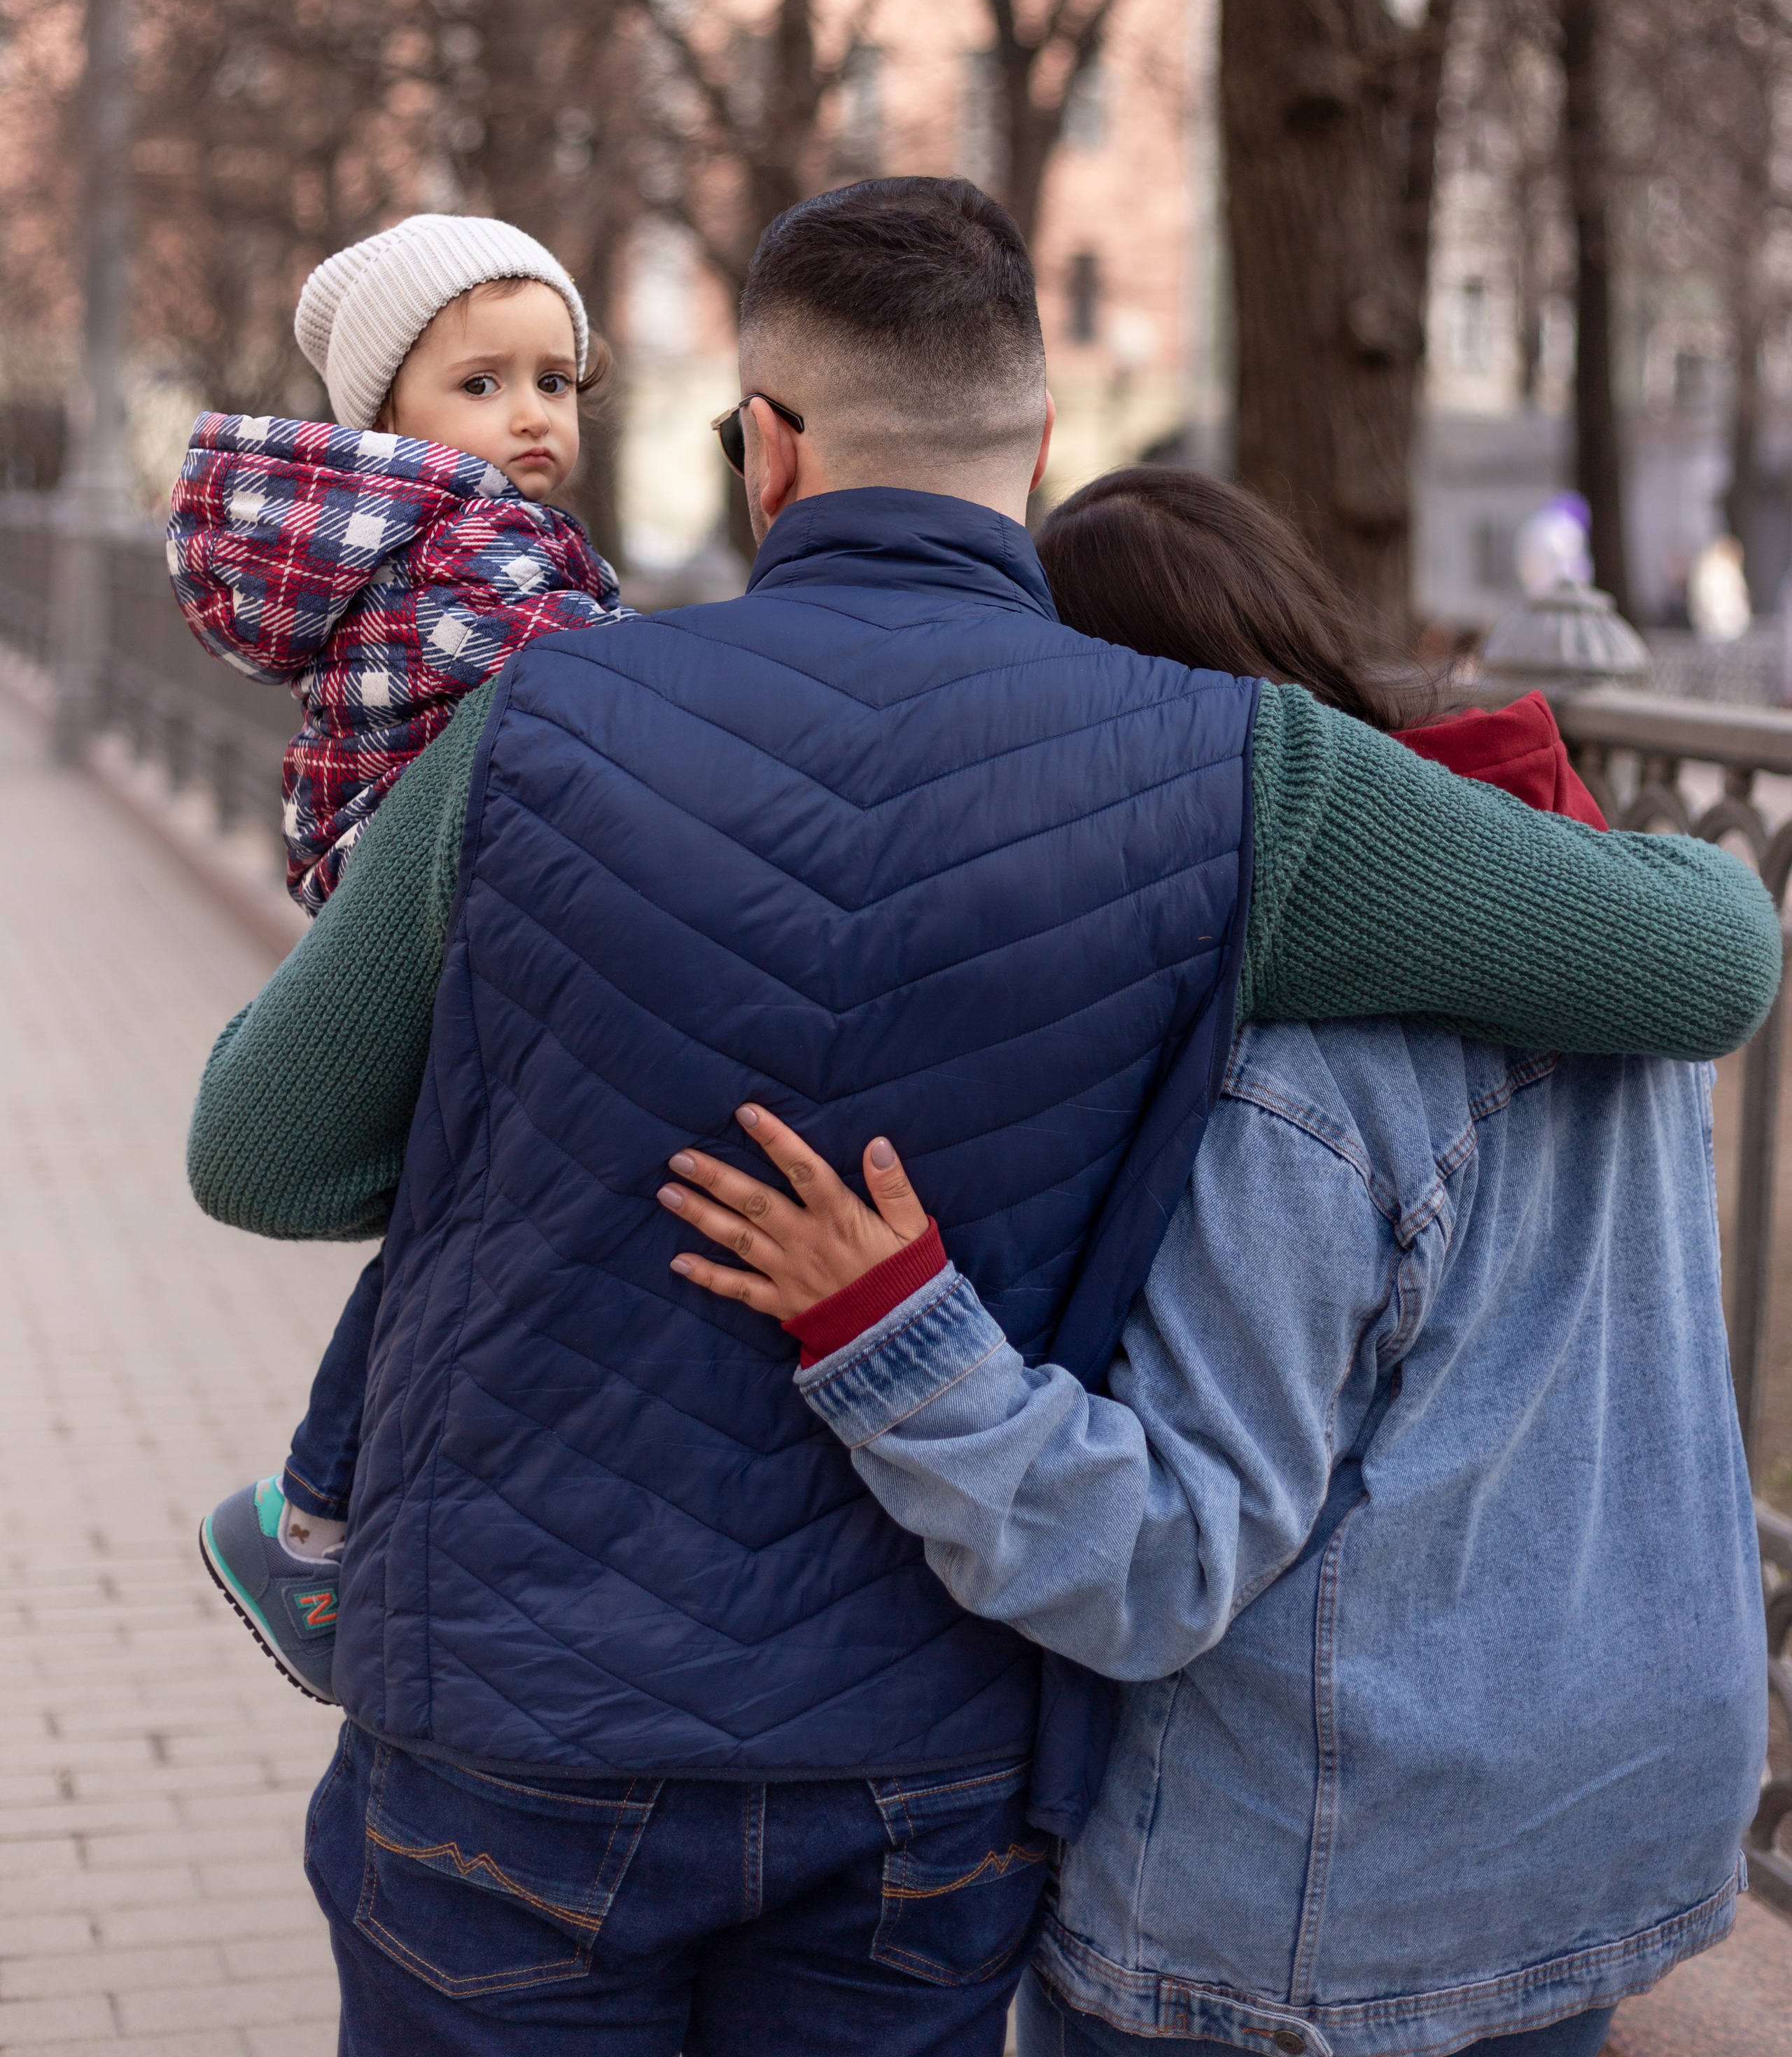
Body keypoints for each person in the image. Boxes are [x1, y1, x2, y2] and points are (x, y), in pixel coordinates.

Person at [184, 179, 1778, 2057]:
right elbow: (1708, 964)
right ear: (1031, 446)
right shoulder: (1240, 777)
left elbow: (260, 1153)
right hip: (916, 1756)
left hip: (513, 1715)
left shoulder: (537, 721)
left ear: (767, 447)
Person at [660, 464, 1767, 2057]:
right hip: (1597, 1829)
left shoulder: (1293, 1082)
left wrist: (890, 1334)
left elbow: (1160, 1562)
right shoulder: (1586, 942)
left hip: (1313, 1901)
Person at [168, 213, 626, 1694]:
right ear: (387, 416)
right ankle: (313, 1520)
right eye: (480, 384)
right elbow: (588, 691)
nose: (531, 416)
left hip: (407, 884)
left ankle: (329, 1519)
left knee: (456, 1213)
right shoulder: (471, 538)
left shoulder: (425, 529)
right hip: (445, 899)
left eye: (554, 380)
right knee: (461, 1221)